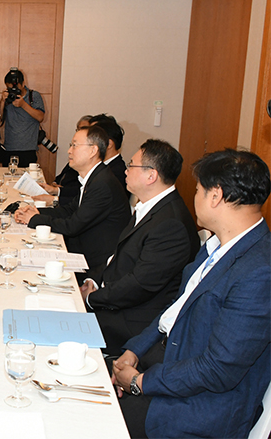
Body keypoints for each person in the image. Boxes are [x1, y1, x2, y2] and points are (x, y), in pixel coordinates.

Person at [112, 149, 270, 439]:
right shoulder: (216, 246)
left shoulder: (260, 271)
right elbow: (175, 309)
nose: (194, 197)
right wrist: (134, 350)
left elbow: (218, 369)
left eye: (198, 190)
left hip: (197, 409)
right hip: (170, 367)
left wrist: (141, 382)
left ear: (215, 196)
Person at [80, 139, 200, 356]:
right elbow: (117, 258)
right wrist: (91, 281)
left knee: (59, 321)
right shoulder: (150, 206)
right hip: (117, 302)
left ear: (151, 175)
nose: (125, 171)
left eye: (131, 165)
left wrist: (91, 299)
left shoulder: (170, 223)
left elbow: (139, 285)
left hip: (132, 321)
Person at [14, 126, 131, 273]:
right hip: (85, 251)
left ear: (93, 151)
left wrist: (34, 219)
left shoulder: (102, 184)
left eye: (75, 145)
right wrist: (36, 211)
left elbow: (73, 226)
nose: (69, 151)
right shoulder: (95, 177)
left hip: (96, 264)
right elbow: (70, 209)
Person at [0, 68, 45, 167]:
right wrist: (2, 101)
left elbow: (40, 117)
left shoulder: (33, 96)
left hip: (28, 149)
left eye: (16, 89)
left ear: (23, 84)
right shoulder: (8, 98)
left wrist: (23, 104)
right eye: (10, 88)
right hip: (9, 148)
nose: (14, 91)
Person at [47, 115, 91, 206]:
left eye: (83, 129)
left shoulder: (100, 178)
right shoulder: (77, 158)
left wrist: (57, 192)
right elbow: (64, 174)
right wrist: (55, 184)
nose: (69, 151)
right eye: (78, 129)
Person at [90, 114, 127, 192]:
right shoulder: (104, 166)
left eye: (94, 141)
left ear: (109, 144)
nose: (91, 146)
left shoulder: (116, 173)